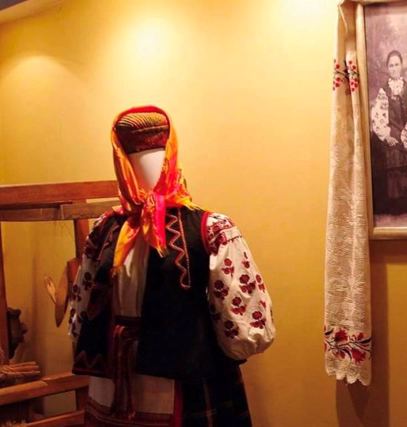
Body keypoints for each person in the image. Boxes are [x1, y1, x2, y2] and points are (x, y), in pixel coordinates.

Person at [69, 106, 275, 426]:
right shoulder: (105, 228)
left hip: (178, 379)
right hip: (121, 380)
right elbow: (243, 328)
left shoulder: (210, 229)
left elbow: (80, 316)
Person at [370, 50, 407, 214]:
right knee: (394, 151)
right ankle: (397, 203)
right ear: (387, 68)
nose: (394, 68)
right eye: (391, 65)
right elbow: (379, 116)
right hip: (391, 130)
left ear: (402, 66)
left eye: (397, 64)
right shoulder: (384, 92)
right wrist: (386, 136)